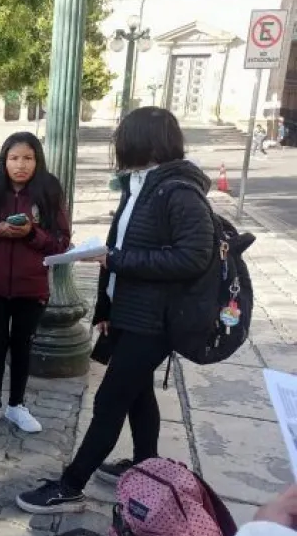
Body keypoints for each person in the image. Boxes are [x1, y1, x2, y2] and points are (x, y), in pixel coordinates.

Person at [17, 107, 215, 514]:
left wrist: (117, 260)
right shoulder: (140, 186)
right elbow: (119, 249)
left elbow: (192, 258)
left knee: (110, 400)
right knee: (138, 393)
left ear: (145, 140)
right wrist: (106, 306)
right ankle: (147, 466)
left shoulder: (178, 190)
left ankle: (71, 485)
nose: (117, 144)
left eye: (123, 136)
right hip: (129, 313)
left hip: (156, 320)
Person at [0, 132, 71, 434]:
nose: (20, 165)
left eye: (27, 158)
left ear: (37, 160)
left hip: (31, 287)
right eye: (13, 158)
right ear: (4, 161)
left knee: (23, 345)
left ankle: (17, 405)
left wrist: (32, 234)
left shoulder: (49, 191)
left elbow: (61, 243)